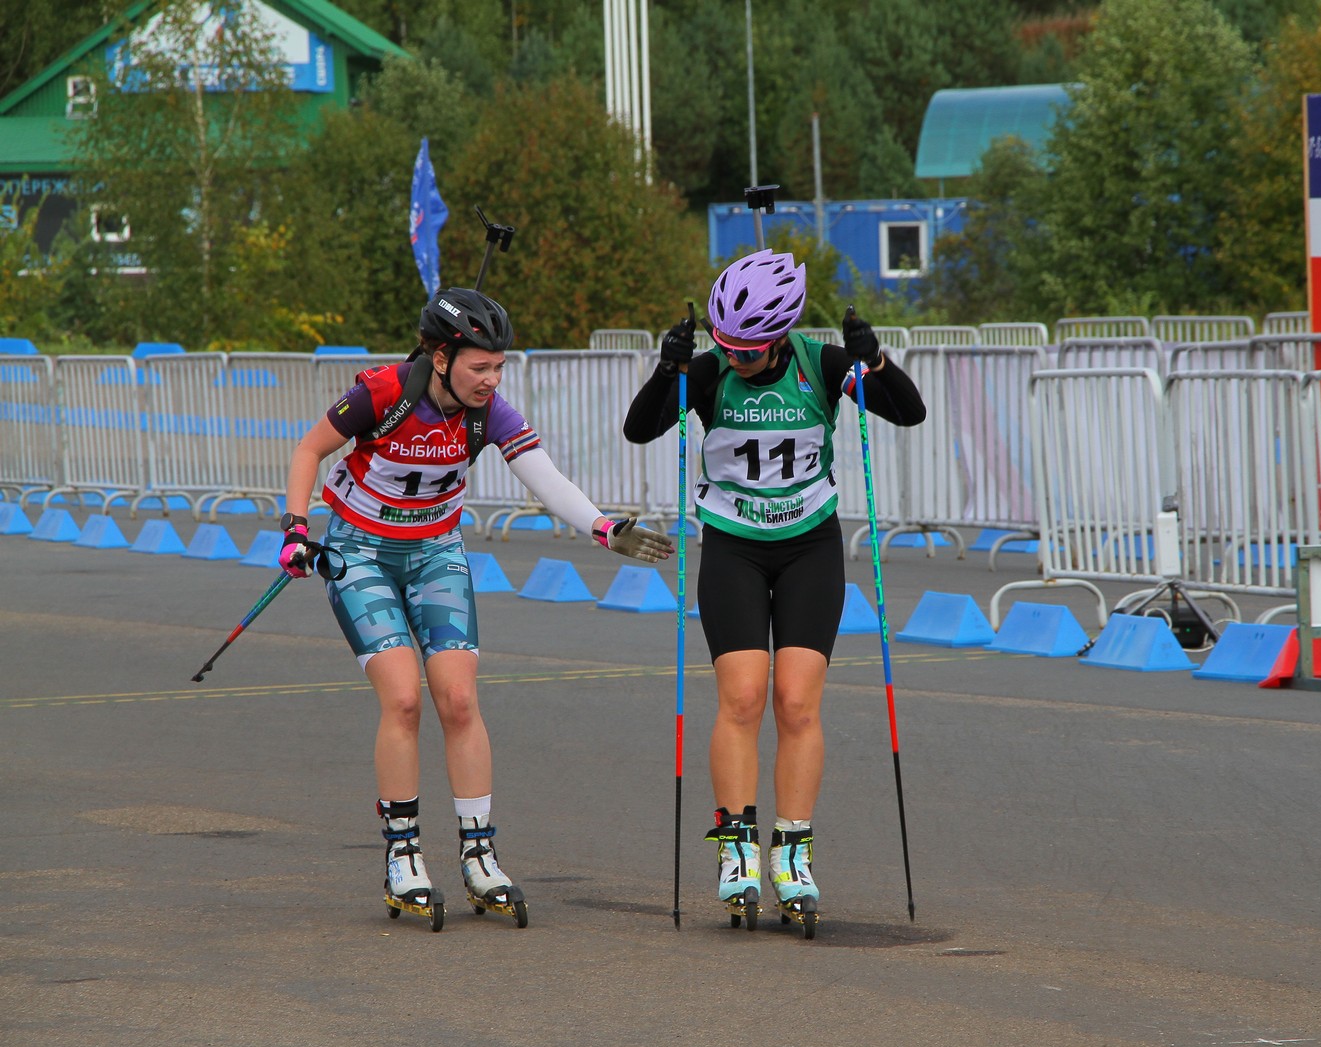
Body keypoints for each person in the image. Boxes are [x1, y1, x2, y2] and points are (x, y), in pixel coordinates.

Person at [280, 287, 671, 930]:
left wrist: (603, 528)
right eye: (479, 367)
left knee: (458, 701)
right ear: (440, 356)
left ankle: (478, 854)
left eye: (498, 367)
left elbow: (544, 476)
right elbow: (308, 450)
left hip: (436, 551)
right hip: (362, 553)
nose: (492, 380)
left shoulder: (489, 416)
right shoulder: (383, 394)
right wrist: (295, 529)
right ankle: (403, 855)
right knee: (403, 698)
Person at [624, 249, 925, 930]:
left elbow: (909, 413)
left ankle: (792, 851)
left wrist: (874, 362)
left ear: (781, 334)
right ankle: (737, 850)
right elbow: (640, 427)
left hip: (808, 547)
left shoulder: (822, 366)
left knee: (796, 702)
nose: (735, 360)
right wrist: (669, 367)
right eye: (724, 346)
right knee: (741, 698)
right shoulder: (708, 374)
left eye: (749, 351)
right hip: (733, 545)